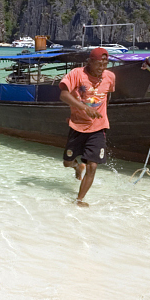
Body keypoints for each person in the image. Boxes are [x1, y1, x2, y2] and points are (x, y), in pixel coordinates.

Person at [59, 47, 115, 207]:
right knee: (67, 162)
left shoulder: (110, 77)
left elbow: (106, 97)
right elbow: (63, 95)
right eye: (98, 64)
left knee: (93, 165)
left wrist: (102, 115)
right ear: (89, 62)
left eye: (105, 64)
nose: (102, 68)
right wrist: (85, 109)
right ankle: (77, 166)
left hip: (98, 127)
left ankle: (79, 200)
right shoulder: (77, 74)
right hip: (77, 126)